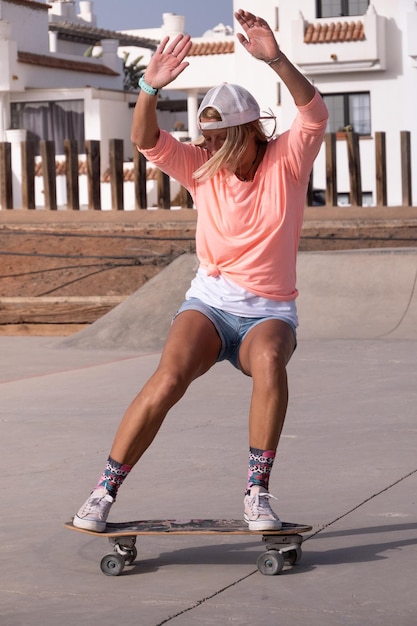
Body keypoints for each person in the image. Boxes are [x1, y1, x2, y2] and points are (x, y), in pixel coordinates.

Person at [73, 9, 328, 532]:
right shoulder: (202, 168)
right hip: (209, 304)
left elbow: (315, 112)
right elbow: (146, 139)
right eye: (204, 140)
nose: (207, 150)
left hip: (269, 311)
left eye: (217, 140)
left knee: (271, 363)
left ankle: (257, 493)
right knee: (168, 377)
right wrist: (148, 87)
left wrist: (275, 59)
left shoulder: (287, 160)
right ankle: (103, 491)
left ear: (248, 132)